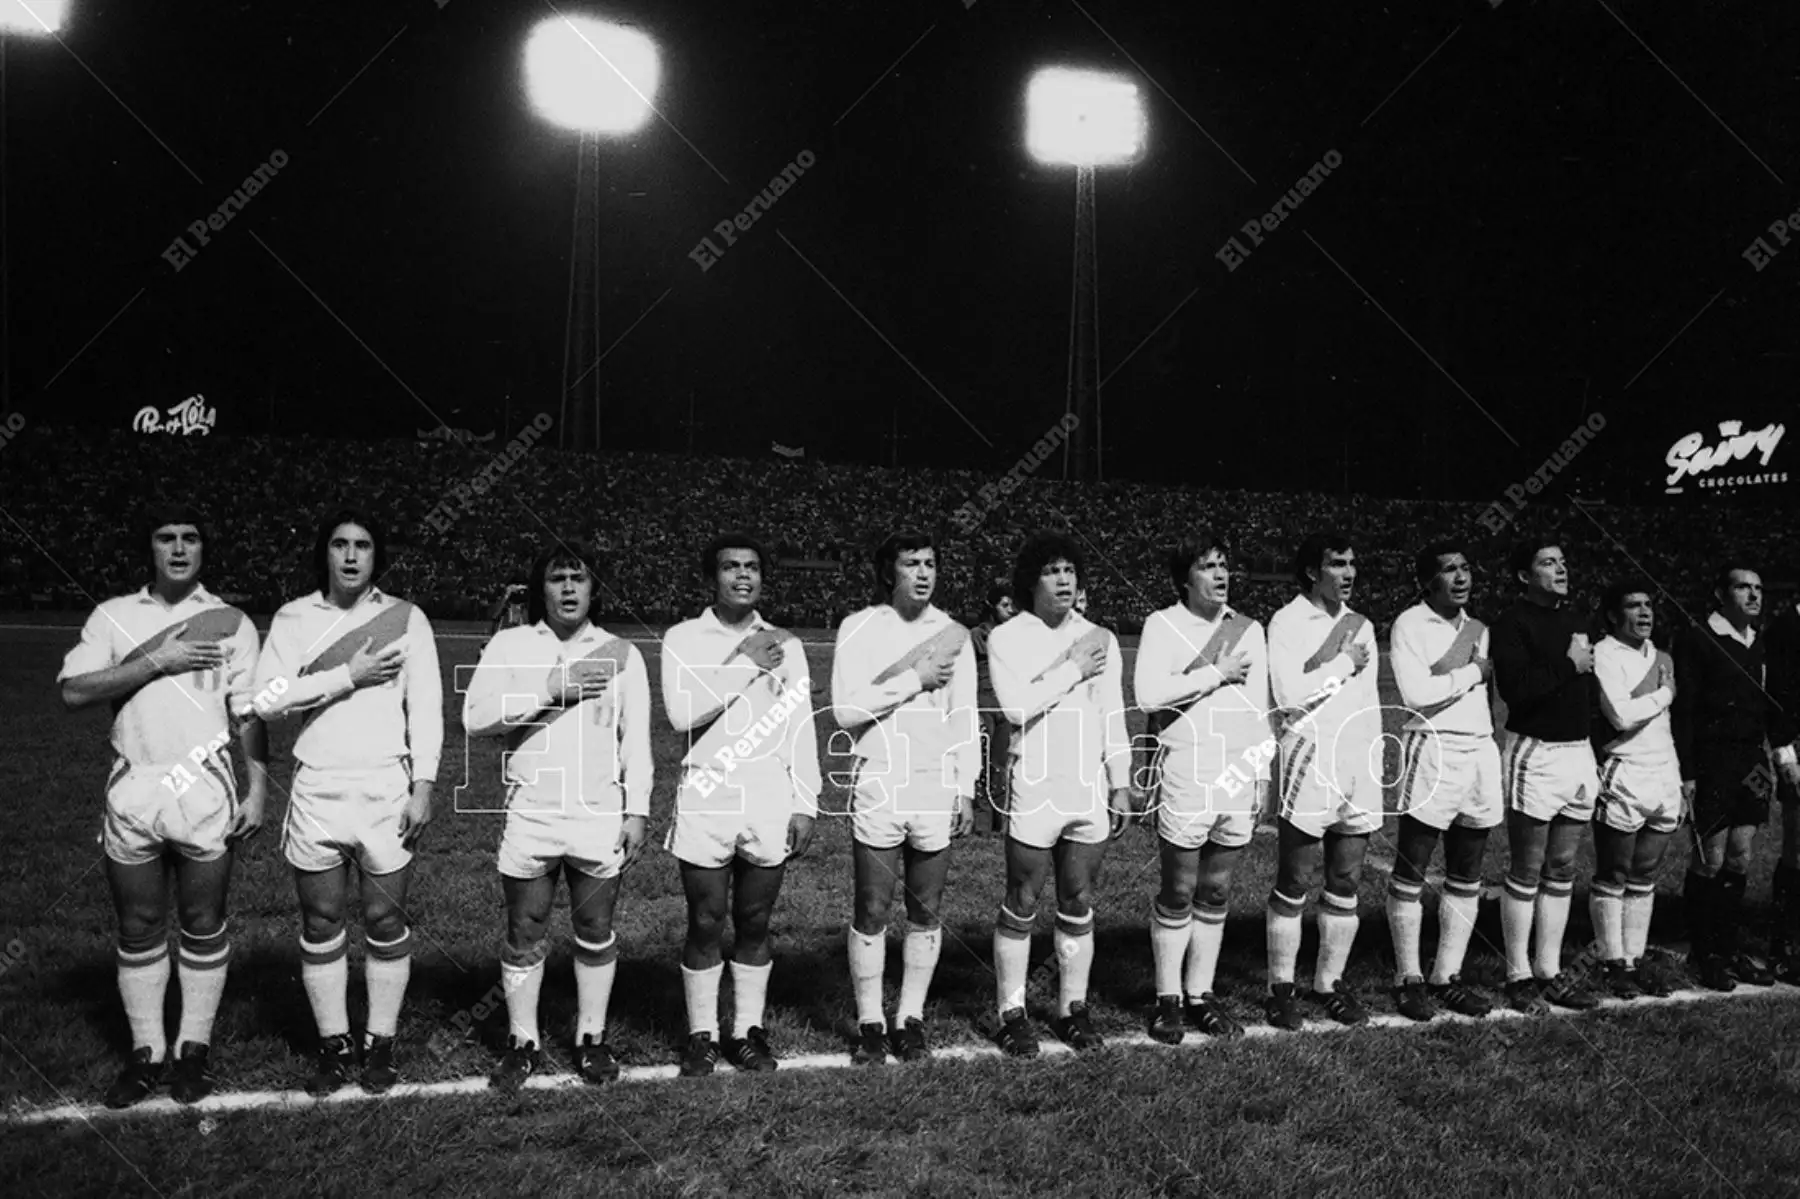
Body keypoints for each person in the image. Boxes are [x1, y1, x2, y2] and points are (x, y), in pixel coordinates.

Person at [57, 507, 268, 1107]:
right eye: (166, 537)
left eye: (191, 538)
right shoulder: (114, 615)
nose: (179, 548)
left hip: (205, 789)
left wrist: (256, 789)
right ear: (149, 547)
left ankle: (192, 1053)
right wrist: (156, 662)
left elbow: (248, 712)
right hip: (135, 787)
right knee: (139, 925)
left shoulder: (230, 620)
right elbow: (73, 691)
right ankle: (146, 1053)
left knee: (203, 921)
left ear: (205, 549)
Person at [254, 510, 444, 1095]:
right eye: (340, 544)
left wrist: (425, 785)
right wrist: (346, 675)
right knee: (321, 919)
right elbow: (265, 701)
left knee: (386, 919)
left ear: (375, 556)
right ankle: (334, 1046)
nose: (351, 555)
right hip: (317, 787)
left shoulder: (406, 618)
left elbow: (428, 709)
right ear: (325, 554)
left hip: (386, 786)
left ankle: (379, 1044)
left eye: (363, 545)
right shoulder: (293, 618)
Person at [462, 541, 651, 1090]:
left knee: (595, 927)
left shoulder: (621, 653)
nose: (568, 588)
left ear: (595, 589)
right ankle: (524, 1042)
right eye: (557, 578)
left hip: (597, 813)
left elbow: (635, 741)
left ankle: (591, 1039)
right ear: (539, 588)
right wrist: (548, 690)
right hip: (532, 812)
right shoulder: (511, 643)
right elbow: (475, 717)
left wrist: (636, 810)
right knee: (525, 928)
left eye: (579, 578)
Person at [660, 533, 821, 1076]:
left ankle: (746, 1032)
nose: (743, 576)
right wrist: (745, 664)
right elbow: (682, 715)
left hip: (768, 793)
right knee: (706, 919)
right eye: (732, 567)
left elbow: (801, 726)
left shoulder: (787, 644)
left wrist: (807, 801)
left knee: (755, 918)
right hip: (708, 790)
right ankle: (701, 1035)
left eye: (752, 567)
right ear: (714, 578)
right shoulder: (683, 637)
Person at [831, 531, 977, 1064]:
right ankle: (870, 1019)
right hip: (879, 780)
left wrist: (966, 788)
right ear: (888, 571)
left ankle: (908, 1018)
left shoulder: (953, 633)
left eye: (931, 563)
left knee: (926, 907)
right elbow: (845, 712)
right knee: (872, 906)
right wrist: (913, 679)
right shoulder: (859, 627)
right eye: (911, 563)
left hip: (935, 783)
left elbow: (964, 716)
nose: (922, 572)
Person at [986, 533, 1131, 1056]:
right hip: (1037, 783)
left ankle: (1073, 1006)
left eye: (1071, 569)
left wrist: (1120, 778)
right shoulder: (1008, 637)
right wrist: (1072, 669)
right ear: (1031, 581)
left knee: (1078, 899)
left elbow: (1111, 712)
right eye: (1052, 570)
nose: (1065, 579)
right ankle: (1011, 1010)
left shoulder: (1101, 637)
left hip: (1087, 784)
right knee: (1022, 899)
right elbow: (1016, 709)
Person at [1134, 532, 1268, 1043]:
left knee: (1217, 889)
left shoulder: (1248, 629)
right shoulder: (1162, 624)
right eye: (1207, 567)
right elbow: (1149, 695)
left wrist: (1260, 773)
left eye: (1224, 565)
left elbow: (1260, 708)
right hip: (1188, 766)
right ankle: (1167, 999)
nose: (1220, 575)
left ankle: (1200, 995)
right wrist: (1217, 672)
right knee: (1180, 888)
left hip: (1237, 768)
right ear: (1183, 579)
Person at [1263, 531, 1381, 1028]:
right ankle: (1280, 987)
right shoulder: (1287, 621)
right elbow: (1291, 695)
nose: (1348, 572)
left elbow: (1370, 696)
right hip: (1309, 755)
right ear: (1313, 571)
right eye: (1337, 563)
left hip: (1357, 759)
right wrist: (1341, 662)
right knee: (1296, 877)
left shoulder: (1363, 624)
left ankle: (1329, 983)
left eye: (1352, 562)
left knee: (1346, 878)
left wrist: (1374, 754)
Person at [1385, 541, 1499, 1022]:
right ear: (1427, 582)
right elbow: (1417, 695)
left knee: (1468, 866)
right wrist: (1473, 670)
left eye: (1466, 568)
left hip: (1479, 748)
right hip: (1431, 746)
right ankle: (1407, 976)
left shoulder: (1479, 627)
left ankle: (1446, 976)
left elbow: (1484, 696)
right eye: (1449, 570)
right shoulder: (1410, 624)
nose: (1460, 577)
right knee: (1414, 862)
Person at [1489, 540, 1602, 1013]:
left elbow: (1589, 689)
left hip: (1577, 752)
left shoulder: (1579, 620)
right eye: (1548, 562)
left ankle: (1550, 971)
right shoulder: (1511, 623)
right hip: (1534, 752)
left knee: (1562, 868)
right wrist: (1568, 664)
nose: (1561, 567)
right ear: (1523, 576)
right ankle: (1517, 974)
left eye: (1563, 559)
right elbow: (1518, 692)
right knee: (1527, 868)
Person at [1674, 567, 1780, 990]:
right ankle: (1704, 954)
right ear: (1720, 593)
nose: (1753, 595)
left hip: (1752, 761)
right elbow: (1683, 711)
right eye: (1742, 587)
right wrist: (1687, 770)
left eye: (1758, 587)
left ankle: (1729, 945)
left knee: (1741, 855)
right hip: (1712, 759)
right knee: (1711, 857)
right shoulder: (1699, 638)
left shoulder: (1761, 641)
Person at [1589, 582, 1679, 998]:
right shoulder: (1604, 653)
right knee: (1615, 872)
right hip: (1625, 768)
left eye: (1648, 606)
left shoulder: (1661, 656)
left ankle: (1634, 958)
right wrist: (1664, 693)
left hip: (1664, 771)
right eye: (1632, 605)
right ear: (1612, 615)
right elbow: (1621, 716)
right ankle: (1611, 962)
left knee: (1645, 874)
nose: (1644, 613)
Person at [970, 583, 1016, 836]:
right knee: (981, 764)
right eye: (1005, 605)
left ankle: (1000, 819)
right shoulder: (978, 634)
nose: (1010, 610)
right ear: (992, 607)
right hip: (983, 704)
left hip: (1005, 707)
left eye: (1013, 606)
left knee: (1000, 764)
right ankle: (982, 820)